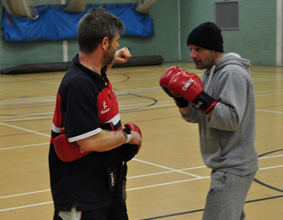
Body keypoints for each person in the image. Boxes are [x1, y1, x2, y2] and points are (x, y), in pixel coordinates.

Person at [48, 7, 142, 220]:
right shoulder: (77, 84)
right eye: (116, 42)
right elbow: (89, 140)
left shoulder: (94, 72)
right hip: (83, 196)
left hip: (108, 188)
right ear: (105, 43)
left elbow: (96, 72)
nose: (119, 46)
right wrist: (128, 136)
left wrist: (112, 58)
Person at [160, 22, 259, 220]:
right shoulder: (208, 73)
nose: (192, 55)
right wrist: (179, 98)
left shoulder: (233, 73)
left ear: (215, 50)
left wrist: (200, 98)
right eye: (190, 49)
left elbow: (231, 119)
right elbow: (197, 116)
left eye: (198, 49)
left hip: (234, 167)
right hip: (223, 164)